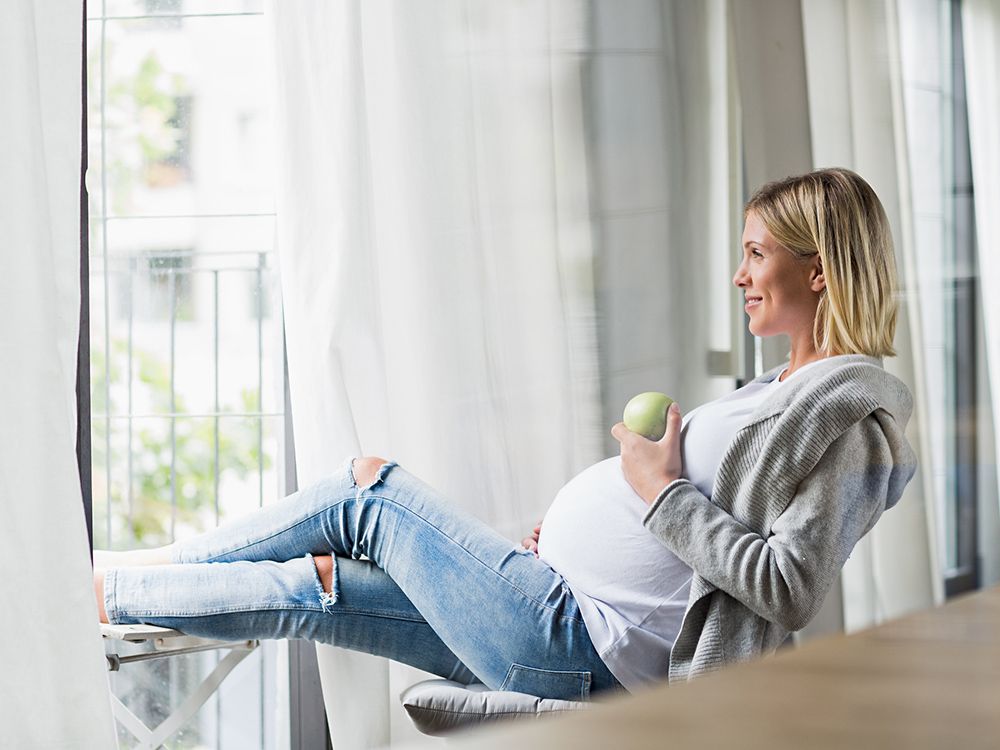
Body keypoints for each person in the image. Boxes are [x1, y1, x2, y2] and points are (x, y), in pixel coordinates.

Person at [94, 167, 916, 699]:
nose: (740, 274)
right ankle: (110, 594)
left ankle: (137, 569)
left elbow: (789, 588)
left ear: (817, 270)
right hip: (562, 606)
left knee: (367, 492)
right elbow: (690, 548)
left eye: (755, 253)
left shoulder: (856, 422)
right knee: (319, 585)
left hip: (582, 642)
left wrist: (655, 488)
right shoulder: (781, 389)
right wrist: (573, 536)